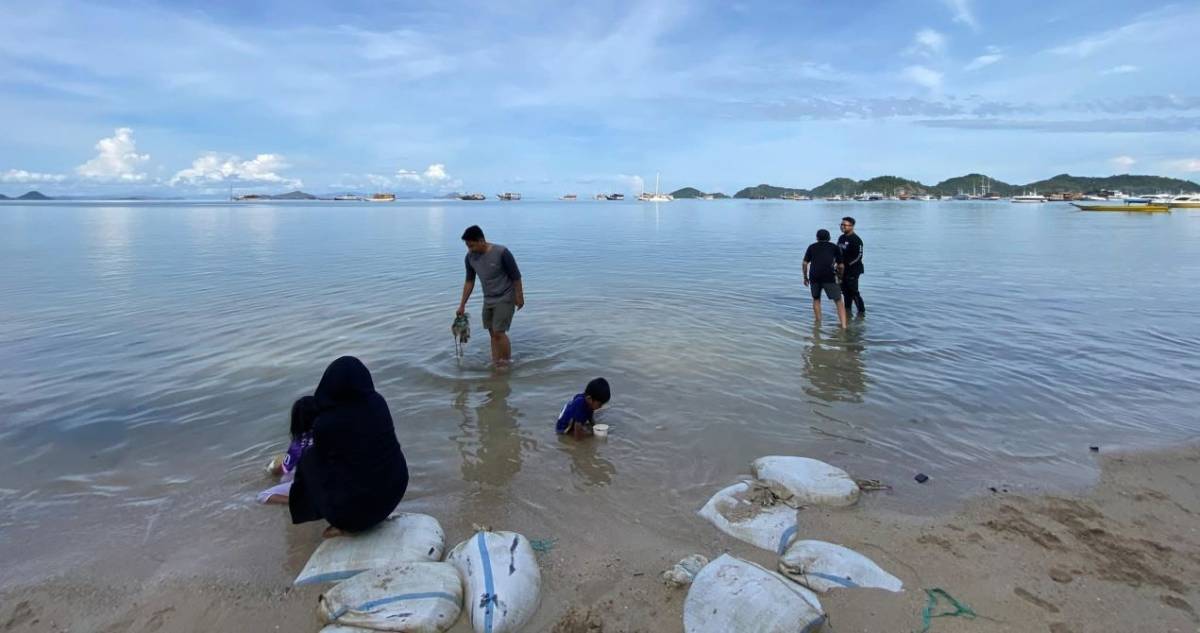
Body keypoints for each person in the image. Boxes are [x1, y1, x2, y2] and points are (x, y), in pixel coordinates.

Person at [289, 356, 409, 537]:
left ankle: (339, 523)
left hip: (355, 516)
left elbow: (322, 467)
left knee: (308, 460)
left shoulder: (326, 424)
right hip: (395, 493)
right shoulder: (378, 403)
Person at [456, 225, 524, 367]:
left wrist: (519, 297)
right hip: (488, 299)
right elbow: (469, 281)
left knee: (499, 332)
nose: (470, 249)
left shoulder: (502, 252)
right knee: (492, 334)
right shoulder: (470, 258)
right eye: (467, 246)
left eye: (472, 245)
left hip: (505, 296)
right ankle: (496, 362)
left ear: (481, 241)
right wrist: (462, 305)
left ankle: (505, 364)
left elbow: (516, 277)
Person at [257, 396, 318, 505]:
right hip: (334, 478)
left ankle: (301, 501)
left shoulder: (298, 444)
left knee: (262, 496)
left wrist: (271, 471)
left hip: (314, 485)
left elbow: (282, 470)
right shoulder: (330, 434)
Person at [802, 229, 848, 329]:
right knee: (839, 301)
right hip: (829, 276)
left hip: (814, 276)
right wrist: (840, 277)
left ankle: (818, 325)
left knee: (816, 299)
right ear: (829, 238)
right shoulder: (834, 247)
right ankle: (844, 326)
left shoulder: (812, 247)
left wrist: (805, 277)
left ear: (817, 238)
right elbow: (841, 266)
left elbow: (805, 263)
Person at [837, 216, 865, 316]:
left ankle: (861, 313)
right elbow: (838, 252)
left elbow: (859, 256)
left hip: (853, 270)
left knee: (853, 292)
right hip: (841, 270)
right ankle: (848, 312)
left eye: (845, 225)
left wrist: (847, 265)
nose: (842, 227)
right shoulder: (841, 238)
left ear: (852, 226)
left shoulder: (856, 240)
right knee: (845, 292)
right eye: (841, 225)